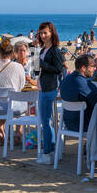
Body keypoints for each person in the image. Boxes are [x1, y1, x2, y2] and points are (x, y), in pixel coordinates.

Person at [34, 22, 65, 164]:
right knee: (46, 121)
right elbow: (36, 70)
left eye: (45, 32)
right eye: (41, 33)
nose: (43, 35)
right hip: (42, 87)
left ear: (52, 33)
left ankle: (48, 153)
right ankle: (50, 151)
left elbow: (59, 69)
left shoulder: (55, 51)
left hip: (50, 88)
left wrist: (43, 64)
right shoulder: (42, 50)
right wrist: (35, 62)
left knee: (46, 122)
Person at [60, 53, 97, 133]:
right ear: (83, 68)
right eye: (93, 66)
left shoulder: (65, 80)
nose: (95, 68)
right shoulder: (85, 84)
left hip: (68, 123)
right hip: (84, 125)